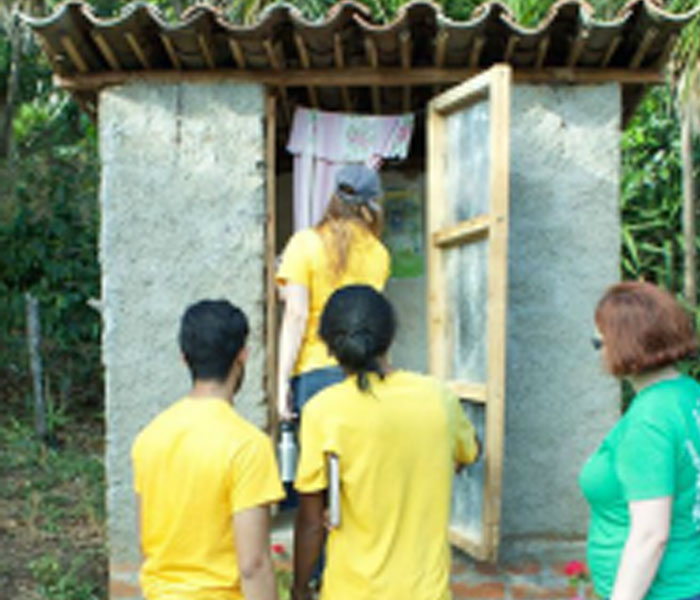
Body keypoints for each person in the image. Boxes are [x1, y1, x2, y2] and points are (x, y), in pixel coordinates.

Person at [291, 285, 480, 600]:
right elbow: (470, 450)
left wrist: (299, 589)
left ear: (328, 345)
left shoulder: (323, 411)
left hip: (351, 591)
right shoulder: (437, 397)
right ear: (389, 337)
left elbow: (311, 522)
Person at [580, 281, 700, 600]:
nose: (599, 352)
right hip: (699, 583)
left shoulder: (649, 420)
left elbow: (651, 535)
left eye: (599, 342)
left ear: (624, 345)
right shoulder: (696, 397)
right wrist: (688, 561)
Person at [131, 299, 284, 600]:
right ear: (243, 355)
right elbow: (253, 565)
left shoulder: (149, 438)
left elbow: (145, 544)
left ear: (184, 359)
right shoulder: (248, 446)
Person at [275, 164, 390, 423]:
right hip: (363, 373)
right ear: (372, 205)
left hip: (315, 372)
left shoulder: (305, 243)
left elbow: (296, 314)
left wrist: (282, 382)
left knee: (318, 461)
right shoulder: (379, 254)